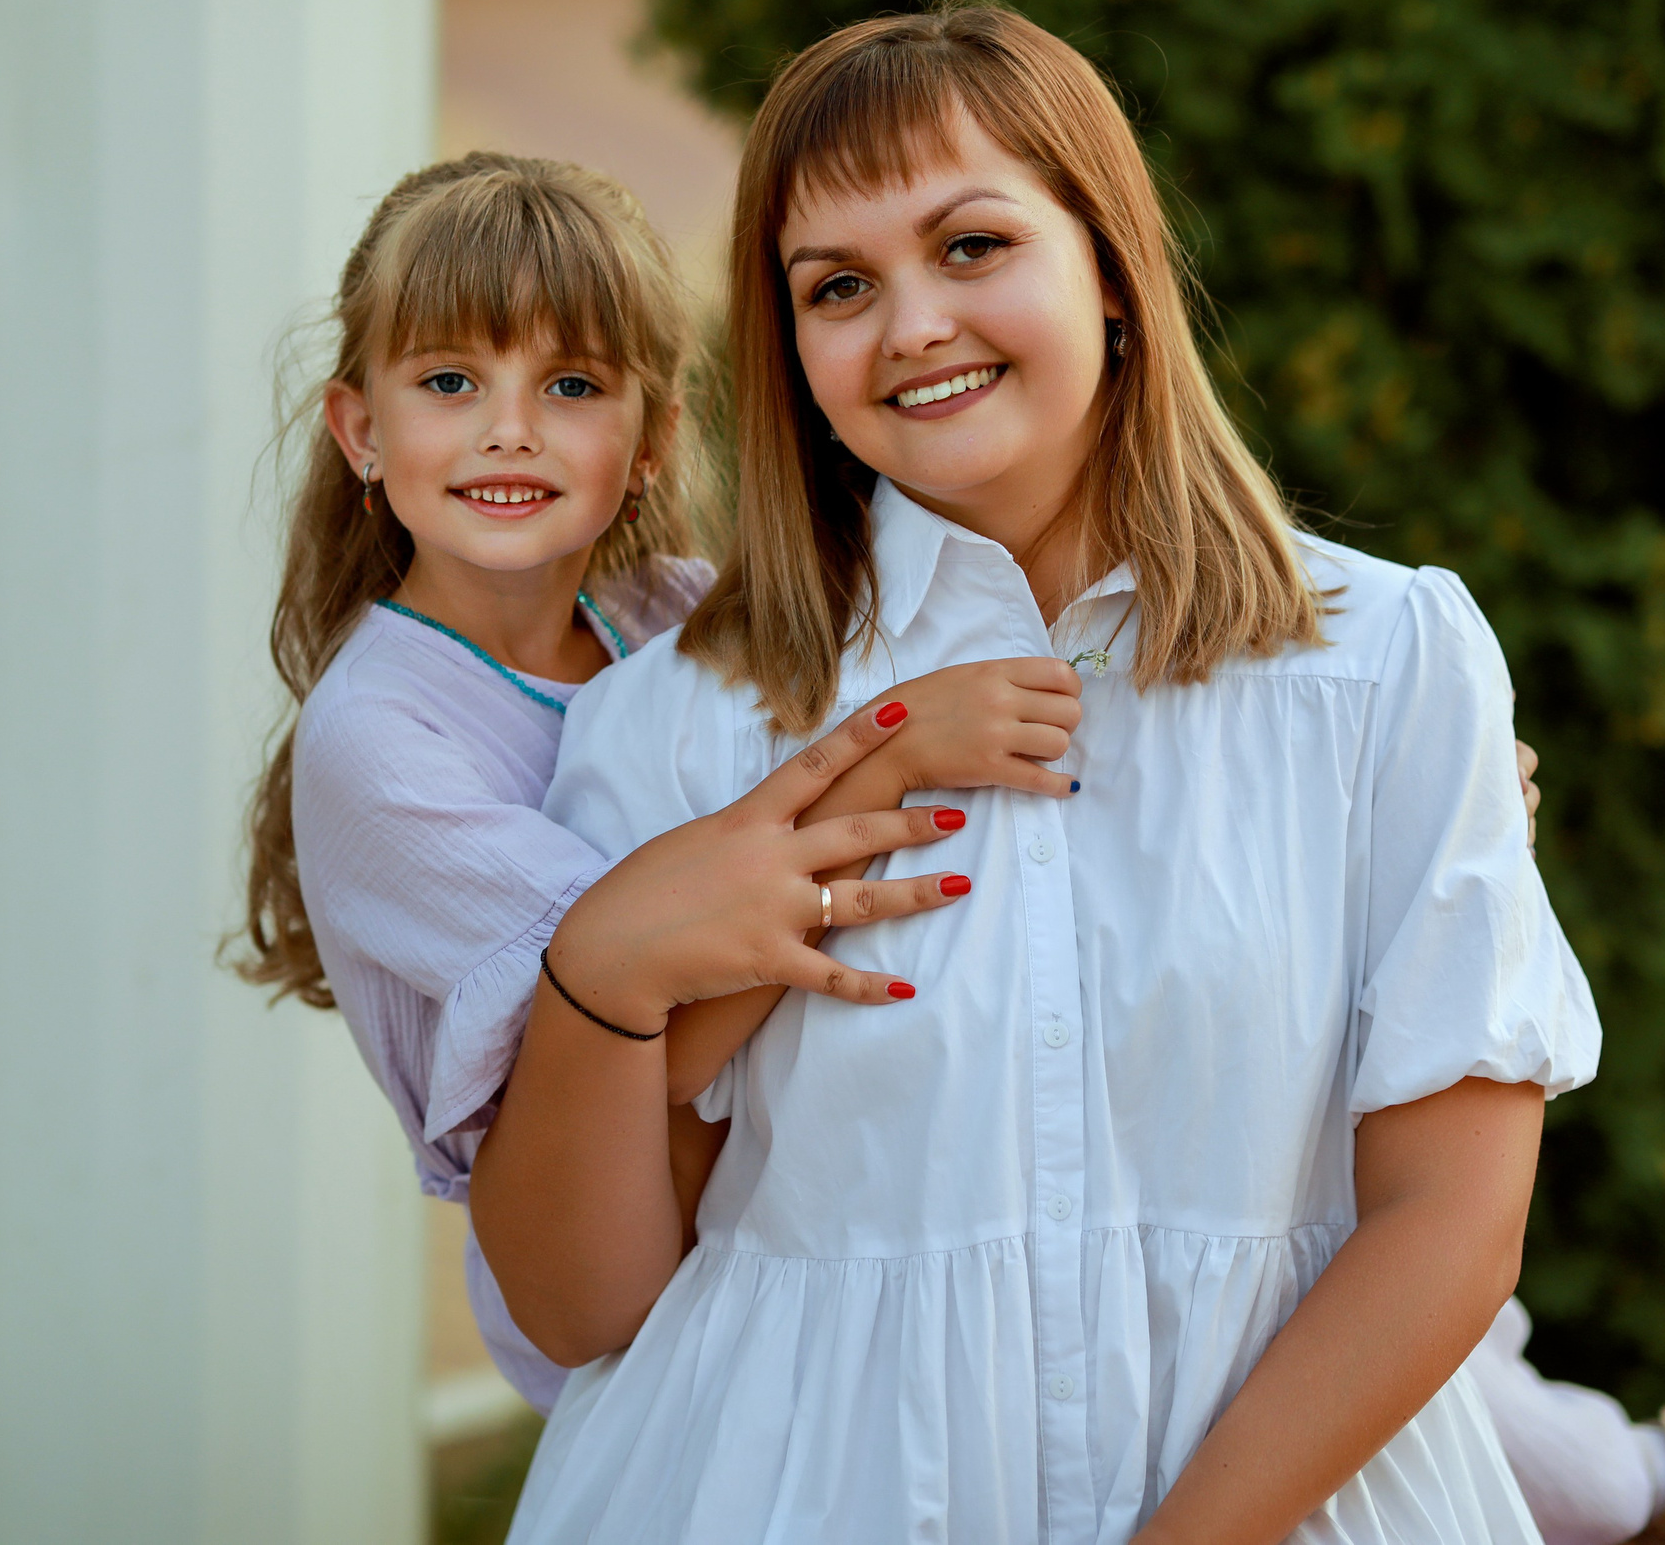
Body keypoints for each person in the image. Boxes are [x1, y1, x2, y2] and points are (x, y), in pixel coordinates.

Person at [465, 5, 1665, 1545]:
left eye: (971, 245)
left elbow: (1452, 1224)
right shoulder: (674, 720)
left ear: (1109, 267)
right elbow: (585, 1308)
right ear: (795, 356)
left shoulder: (1386, 663)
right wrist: (598, 977)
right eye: (838, 285)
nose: (909, 323)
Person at [235, 149, 1088, 1410]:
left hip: (796, 1205)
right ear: (362, 429)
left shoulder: (671, 613)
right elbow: (645, 1010)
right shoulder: (381, 741)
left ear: (649, 441)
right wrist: (893, 754)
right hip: (632, 1281)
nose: (508, 429)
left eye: (571, 384)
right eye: (450, 381)